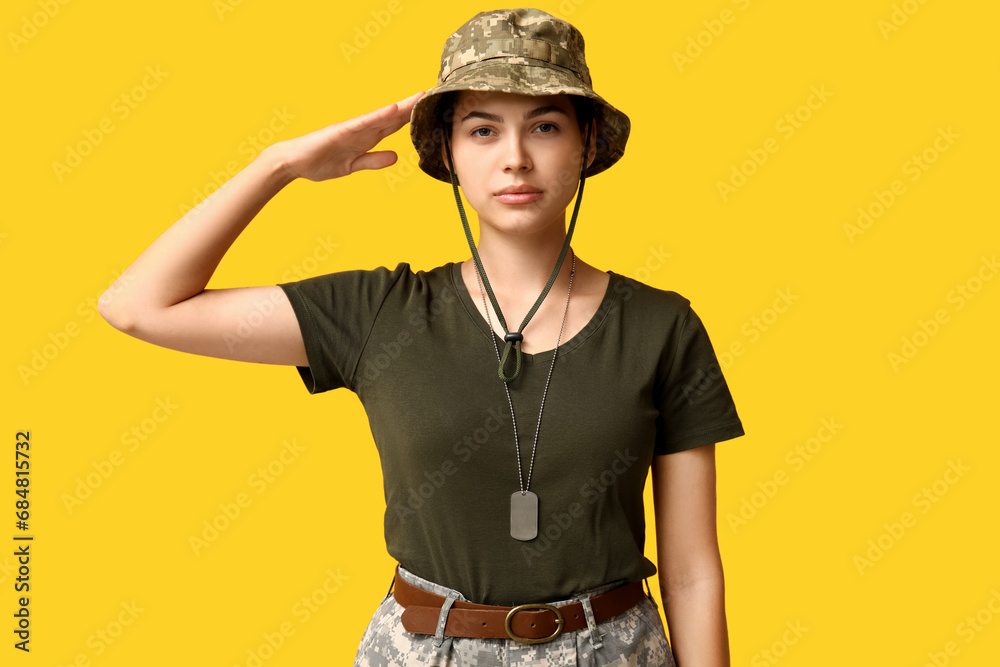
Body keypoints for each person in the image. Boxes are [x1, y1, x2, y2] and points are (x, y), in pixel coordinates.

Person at [99, 7, 744, 666]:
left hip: (615, 650)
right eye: (483, 130)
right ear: (447, 153)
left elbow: (692, 571)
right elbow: (137, 306)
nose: (515, 159)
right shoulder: (379, 312)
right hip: (423, 652)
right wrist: (279, 164)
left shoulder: (663, 326)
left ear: (586, 144)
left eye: (544, 126)